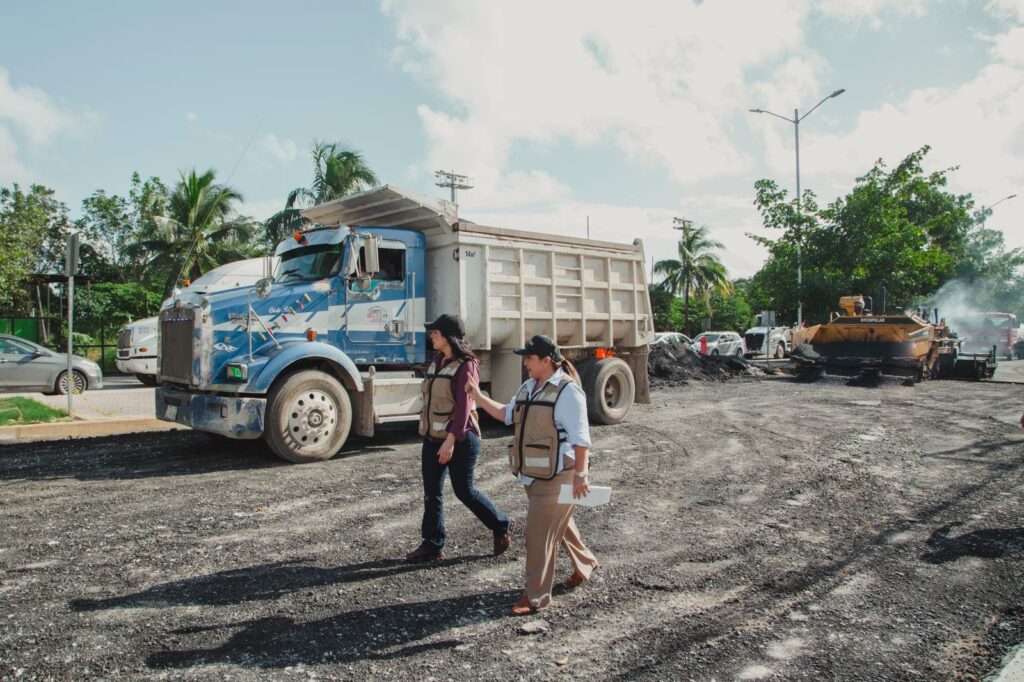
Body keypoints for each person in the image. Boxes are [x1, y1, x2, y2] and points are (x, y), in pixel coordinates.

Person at [467, 334, 599, 615]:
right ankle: (585, 562)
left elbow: (580, 438)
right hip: (534, 473)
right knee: (558, 523)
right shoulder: (529, 386)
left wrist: (582, 475)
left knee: (538, 532)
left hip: (560, 474)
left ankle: (536, 596)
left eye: (529, 357)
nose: (525, 362)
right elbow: (506, 414)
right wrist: (478, 397)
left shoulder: (568, 392)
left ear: (546, 361)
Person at [406, 314, 514, 562]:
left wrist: (450, 441)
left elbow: (465, 407)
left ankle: (501, 525)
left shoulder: (466, 365)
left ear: (447, 336)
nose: (431, 335)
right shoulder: (437, 360)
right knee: (431, 492)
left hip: (461, 439)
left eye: (435, 332)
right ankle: (432, 544)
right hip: (434, 436)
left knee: (464, 491)